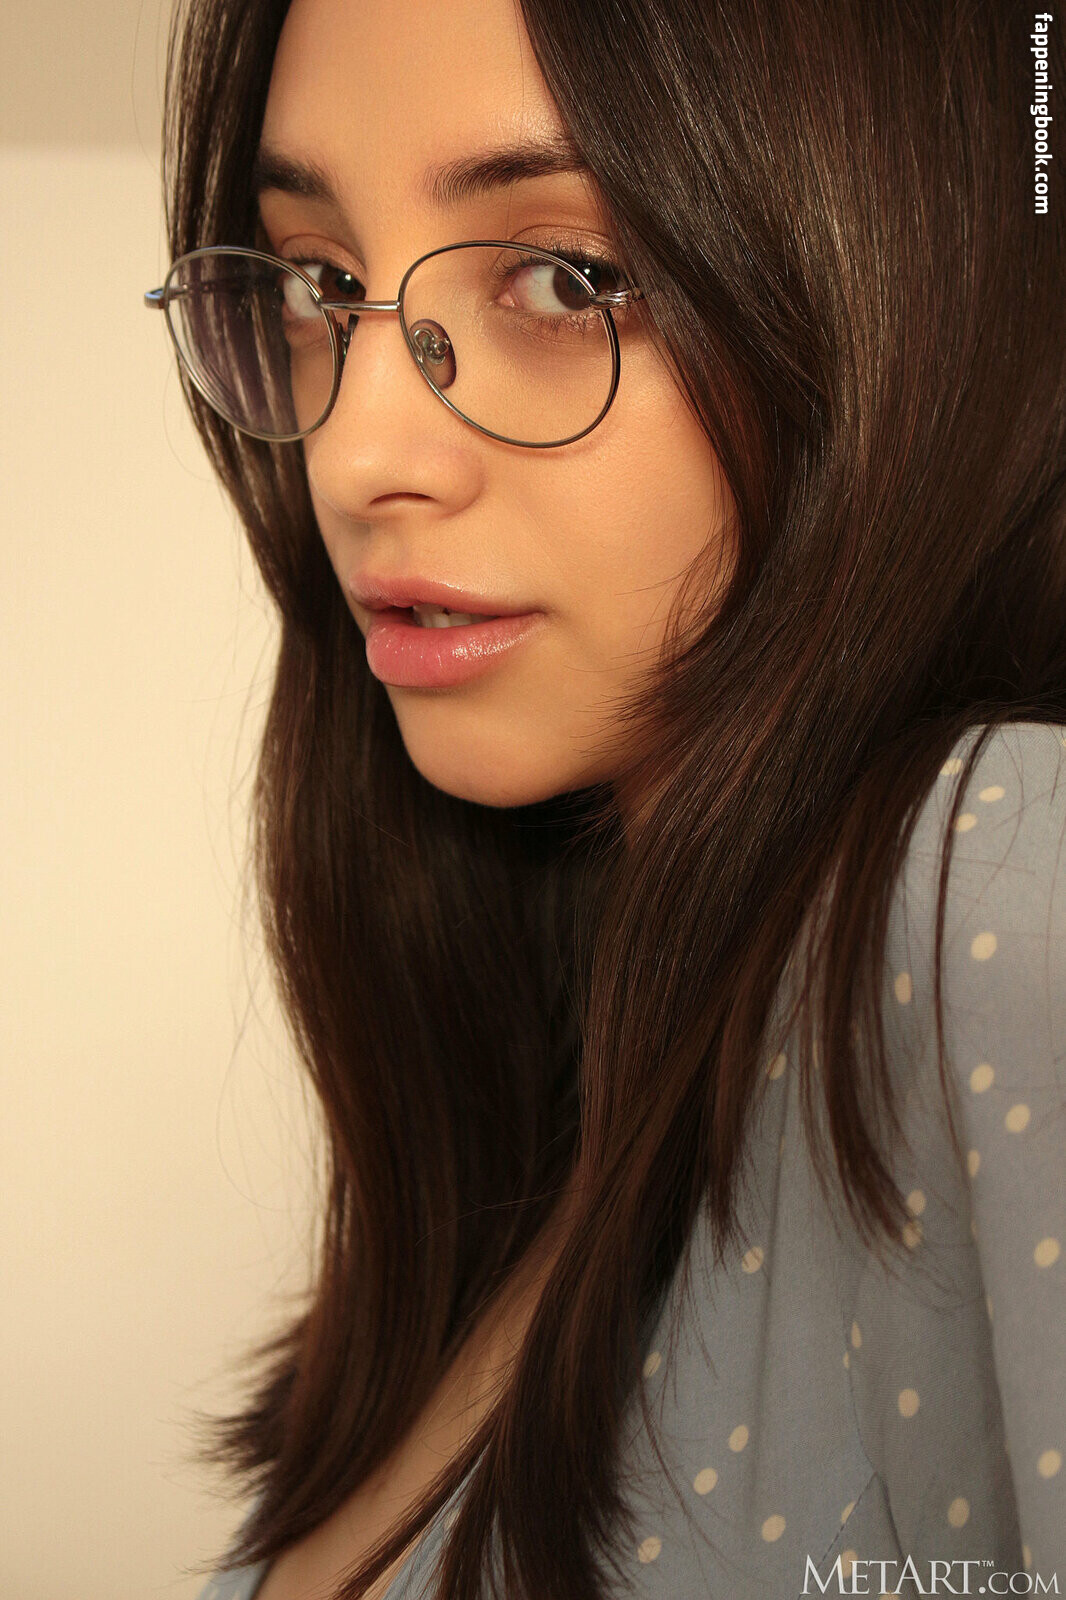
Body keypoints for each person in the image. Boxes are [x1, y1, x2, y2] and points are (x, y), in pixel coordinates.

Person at [146, 0, 1066, 1596]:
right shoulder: (570, 1110)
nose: (358, 454)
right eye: (314, 285)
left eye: (564, 280)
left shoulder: (989, 880)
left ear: (910, 276)